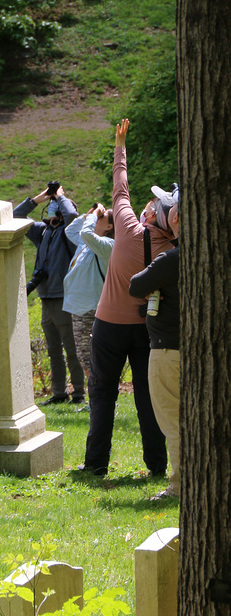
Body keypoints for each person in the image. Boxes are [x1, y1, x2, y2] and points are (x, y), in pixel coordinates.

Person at [79, 119, 176, 476]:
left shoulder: (127, 227)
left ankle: (95, 465)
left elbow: (120, 190)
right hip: (147, 329)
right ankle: (156, 465)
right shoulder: (173, 248)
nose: (146, 203)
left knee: (102, 391)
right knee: (146, 398)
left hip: (108, 326)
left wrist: (120, 147)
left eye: (152, 202)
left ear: (150, 214)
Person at [14, 182, 85, 405]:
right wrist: (41, 198)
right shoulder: (41, 232)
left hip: (64, 298)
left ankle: (79, 394)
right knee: (54, 351)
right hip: (46, 297)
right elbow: (15, 217)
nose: (54, 208)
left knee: (71, 350)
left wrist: (61, 196)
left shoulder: (71, 233)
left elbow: (73, 215)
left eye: (57, 206)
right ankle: (59, 393)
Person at [129, 199, 180, 499]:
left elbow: (136, 285)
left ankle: (181, 485)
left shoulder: (170, 259)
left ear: (175, 219)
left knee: (173, 421)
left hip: (167, 353)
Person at [63, 203, 115, 379]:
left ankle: (99, 400)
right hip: (79, 308)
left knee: (90, 358)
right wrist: (88, 216)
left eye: (101, 217)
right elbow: (70, 232)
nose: (96, 218)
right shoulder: (88, 243)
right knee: (85, 358)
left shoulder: (108, 245)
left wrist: (93, 218)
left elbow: (85, 233)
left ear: (109, 227)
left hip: (90, 308)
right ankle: (96, 400)